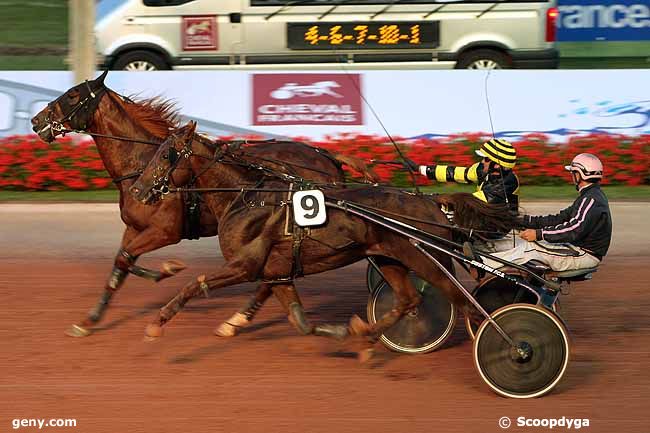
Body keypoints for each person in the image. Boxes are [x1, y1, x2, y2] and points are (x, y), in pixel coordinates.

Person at [481, 153, 612, 273]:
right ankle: (485, 254)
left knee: (530, 249)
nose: (572, 176)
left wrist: (539, 234)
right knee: (525, 243)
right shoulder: (589, 196)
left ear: (580, 174)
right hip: (576, 249)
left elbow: (574, 229)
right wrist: (522, 221)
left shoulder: (591, 199)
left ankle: (481, 263)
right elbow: (559, 219)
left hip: (584, 255)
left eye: (573, 173)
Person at [409, 138, 520, 212]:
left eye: (486, 159)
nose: (482, 162)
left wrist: (435, 199)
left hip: (497, 226)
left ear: (497, 165)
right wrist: (421, 169)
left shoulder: (507, 182)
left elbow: (473, 202)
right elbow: (458, 173)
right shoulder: (483, 169)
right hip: (481, 212)